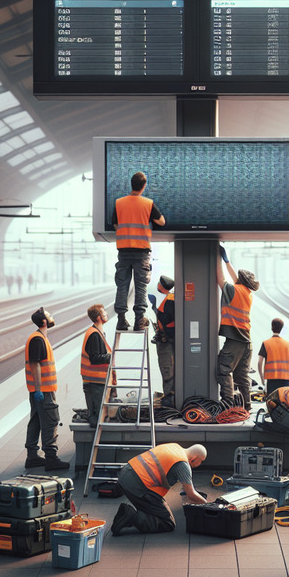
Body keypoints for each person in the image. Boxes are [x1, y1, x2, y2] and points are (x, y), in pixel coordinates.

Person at [111, 443, 208, 536]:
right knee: (167, 523)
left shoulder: (174, 447)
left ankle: (129, 513)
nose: (200, 464)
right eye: (201, 461)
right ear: (194, 458)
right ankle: (131, 516)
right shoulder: (183, 465)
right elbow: (191, 494)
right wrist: (208, 505)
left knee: (154, 508)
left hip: (125, 474)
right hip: (138, 485)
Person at [112, 171, 166, 332]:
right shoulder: (147, 203)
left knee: (122, 285)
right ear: (144, 186)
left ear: (131, 184)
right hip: (141, 250)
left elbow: (115, 224)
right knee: (141, 287)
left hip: (123, 250)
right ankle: (138, 321)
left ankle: (121, 320)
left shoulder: (119, 203)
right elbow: (161, 222)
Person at [24, 307, 69, 472]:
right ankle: (51, 458)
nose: (52, 317)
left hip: (39, 390)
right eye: (49, 315)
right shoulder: (38, 339)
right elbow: (35, 365)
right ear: (44, 322)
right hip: (43, 390)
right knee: (50, 420)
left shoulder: (38, 337)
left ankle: (32, 456)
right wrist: (39, 390)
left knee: (36, 421)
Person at [215, 245, 259, 407]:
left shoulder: (234, 291)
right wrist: (227, 262)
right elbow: (235, 280)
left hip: (235, 340)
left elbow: (220, 279)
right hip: (246, 342)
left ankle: (227, 402)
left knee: (223, 370)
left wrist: (217, 259)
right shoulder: (247, 293)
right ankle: (246, 407)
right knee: (242, 377)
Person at [80, 304, 112, 428]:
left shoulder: (98, 332)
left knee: (101, 414)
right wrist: (110, 357)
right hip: (94, 383)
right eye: (104, 313)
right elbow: (94, 358)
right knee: (97, 416)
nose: (106, 314)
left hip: (98, 382)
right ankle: (93, 444)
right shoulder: (94, 334)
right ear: (99, 317)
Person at [148, 275, 176, 407]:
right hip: (170, 338)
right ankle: (171, 395)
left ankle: (170, 399)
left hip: (166, 340)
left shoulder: (166, 300)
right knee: (170, 368)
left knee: (167, 368)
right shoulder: (170, 297)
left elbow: (165, 320)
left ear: (160, 285)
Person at [258, 318, 289, 394]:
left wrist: (262, 378)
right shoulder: (288, 344)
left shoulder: (266, 343)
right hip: (286, 379)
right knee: (284, 403)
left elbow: (259, 362)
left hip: (271, 379)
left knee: (272, 403)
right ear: (281, 329)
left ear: (272, 328)